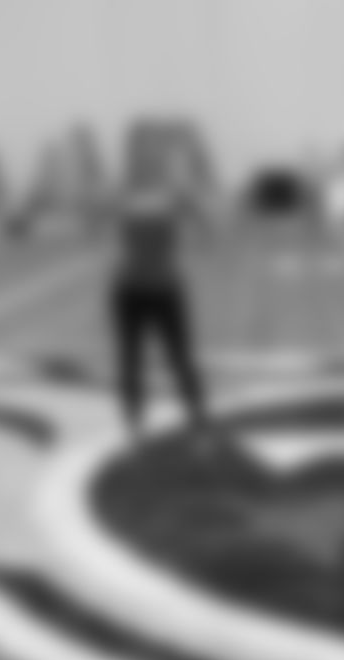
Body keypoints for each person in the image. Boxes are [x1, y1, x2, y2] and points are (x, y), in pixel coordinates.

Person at [104, 145, 211, 441]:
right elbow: (204, 221)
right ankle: (195, 417)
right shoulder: (168, 197)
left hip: (134, 287)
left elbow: (95, 217)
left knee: (133, 359)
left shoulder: (127, 197)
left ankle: (136, 423)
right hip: (159, 287)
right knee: (176, 357)